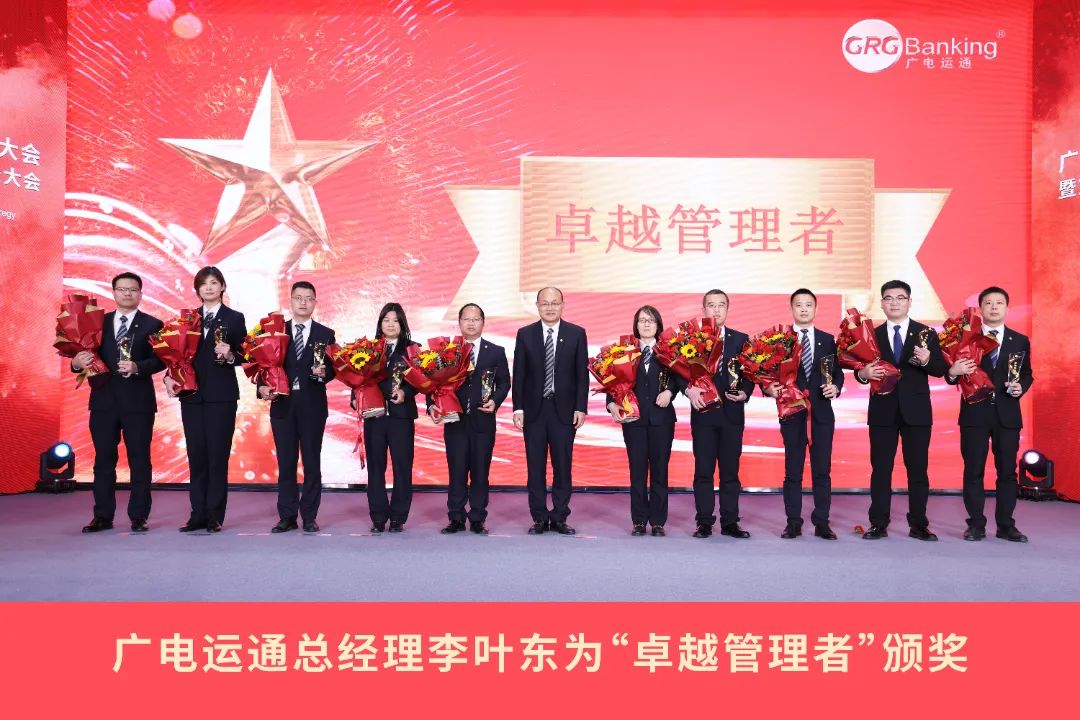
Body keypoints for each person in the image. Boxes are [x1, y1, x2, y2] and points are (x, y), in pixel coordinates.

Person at [855, 280, 948, 541]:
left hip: (916, 411)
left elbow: (940, 370)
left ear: (909, 302)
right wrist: (863, 374)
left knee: (917, 470)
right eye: (888, 298)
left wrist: (927, 360)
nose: (894, 303)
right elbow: (860, 370)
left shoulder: (926, 333)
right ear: (882, 303)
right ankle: (878, 523)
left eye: (900, 298)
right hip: (882, 410)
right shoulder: (871, 334)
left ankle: (918, 524)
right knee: (880, 469)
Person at [74, 272, 165, 533]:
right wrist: (76, 362)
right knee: (103, 460)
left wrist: (138, 367)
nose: (127, 293)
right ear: (113, 292)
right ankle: (102, 516)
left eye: (133, 289)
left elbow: (162, 359)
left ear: (140, 294)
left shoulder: (153, 324)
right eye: (122, 289)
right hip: (103, 401)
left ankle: (139, 516)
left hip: (138, 402)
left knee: (140, 460)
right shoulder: (97, 323)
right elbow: (82, 356)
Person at [945, 286, 1032, 542]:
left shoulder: (1019, 340)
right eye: (988, 303)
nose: (994, 307)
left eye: (999, 303)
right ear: (980, 308)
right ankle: (975, 525)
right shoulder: (965, 338)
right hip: (974, 413)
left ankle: (1006, 525)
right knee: (973, 470)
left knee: (1007, 472)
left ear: (1007, 308)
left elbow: (1026, 373)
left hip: (1007, 414)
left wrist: (1021, 387)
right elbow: (951, 375)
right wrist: (953, 371)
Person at [164, 266, 246, 533]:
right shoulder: (187, 319)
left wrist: (231, 354)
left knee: (217, 457)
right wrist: (169, 377)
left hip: (221, 397)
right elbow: (176, 356)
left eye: (214, 283)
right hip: (191, 395)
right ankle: (197, 514)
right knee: (196, 456)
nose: (209, 288)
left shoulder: (234, 318)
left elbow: (246, 355)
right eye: (203, 284)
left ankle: (214, 515)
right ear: (197, 289)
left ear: (222, 286)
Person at [762, 289, 844, 540]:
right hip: (792, 414)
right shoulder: (780, 341)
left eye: (809, 304)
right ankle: (793, 523)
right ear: (791, 309)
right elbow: (767, 373)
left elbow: (837, 373)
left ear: (816, 308)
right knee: (793, 471)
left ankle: (822, 523)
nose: (804, 309)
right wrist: (768, 388)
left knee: (822, 471)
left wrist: (835, 387)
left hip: (821, 415)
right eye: (799, 305)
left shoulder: (828, 340)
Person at [259, 281, 336, 534]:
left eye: (308, 298)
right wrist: (262, 387)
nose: (303, 302)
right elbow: (263, 366)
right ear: (290, 301)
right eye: (298, 298)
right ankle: (287, 516)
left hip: (313, 407)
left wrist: (324, 373)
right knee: (286, 462)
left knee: (312, 463)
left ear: (315, 302)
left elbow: (335, 369)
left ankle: (310, 516)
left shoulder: (326, 334)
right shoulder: (275, 332)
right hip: (283, 405)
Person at [512, 287, 589, 535]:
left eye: (555, 303)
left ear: (563, 305)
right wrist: (518, 408)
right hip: (534, 411)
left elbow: (582, 375)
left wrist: (580, 407)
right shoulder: (525, 334)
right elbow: (519, 374)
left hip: (564, 411)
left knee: (562, 466)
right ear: (537, 306)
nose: (550, 307)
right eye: (545, 303)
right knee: (535, 468)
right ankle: (538, 517)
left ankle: (559, 517)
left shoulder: (576, 333)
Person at [430, 303, 510, 535]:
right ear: (459, 322)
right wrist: (431, 404)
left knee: (480, 471)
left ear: (483, 322)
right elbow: (432, 382)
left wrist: (495, 401)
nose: (471, 323)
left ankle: (477, 518)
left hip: (483, 420)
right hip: (454, 420)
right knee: (456, 471)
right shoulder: (447, 351)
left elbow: (504, 382)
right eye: (467, 319)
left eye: (476, 319)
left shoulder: (495, 351)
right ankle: (455, 518)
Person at [689, 289, 755, 539]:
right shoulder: (692, 340)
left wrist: (745, 392)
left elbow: (751, 373)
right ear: (703, 309)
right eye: (711, 305)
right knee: (703, 472)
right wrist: (688, 390)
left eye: (721, 305)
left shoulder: (741, 339)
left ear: (727, 309)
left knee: (730, 473)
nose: (716, 310)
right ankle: (704, 522)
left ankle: (730, 522)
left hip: (732, 414)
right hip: (703, 414)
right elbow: (679, 370)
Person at [607, 305, 678, 536]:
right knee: (637, 471)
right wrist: (611, 404)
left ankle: (657, 522)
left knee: (660, 471)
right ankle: (638, 521)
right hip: (633, 420)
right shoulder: (624, 352)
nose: (646, 324)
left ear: (658, 325)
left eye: (651, 320)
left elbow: (680, 377)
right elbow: (612, 382)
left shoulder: (669, 350)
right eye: (642, 320)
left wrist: (670, 392)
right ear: (636, 325)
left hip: (662, 419)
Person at [365, 302, 419, 533]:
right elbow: (358, 377)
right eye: (386, 320)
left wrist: (405, 392)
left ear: (402, 324)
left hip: (401, 417)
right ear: (380, 323)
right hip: (374, 415)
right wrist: (356, 398)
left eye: (395, 320)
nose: (390, 324)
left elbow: (421, 380)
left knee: (402, 466)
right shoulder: (367, 349)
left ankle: (398, 517)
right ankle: (378, 517)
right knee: (375, 467)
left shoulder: (413, 349)